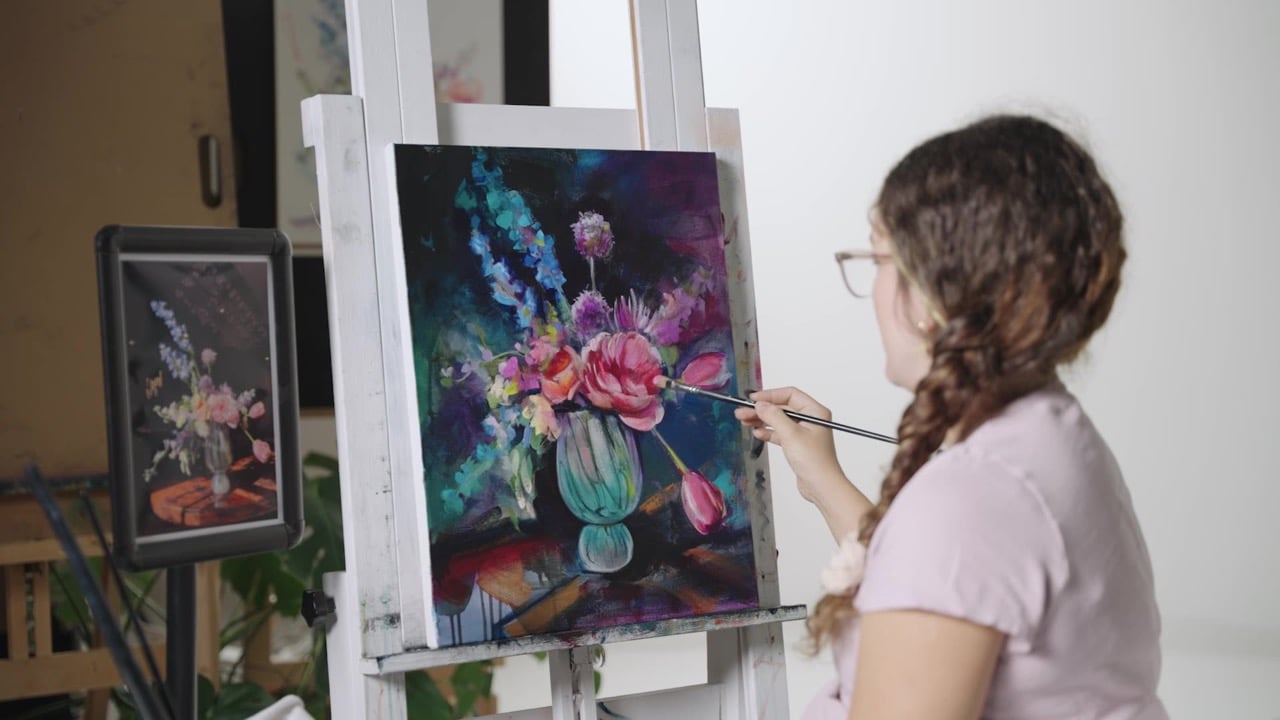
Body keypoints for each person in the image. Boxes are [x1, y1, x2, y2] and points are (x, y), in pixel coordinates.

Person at [736, 115, 1167, 719]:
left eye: (879, 256)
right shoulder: (1052, 434)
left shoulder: (971, 500)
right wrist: (821, 479)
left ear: (935, 295)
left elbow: (958, 548)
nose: (873, 283)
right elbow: (956, 582)